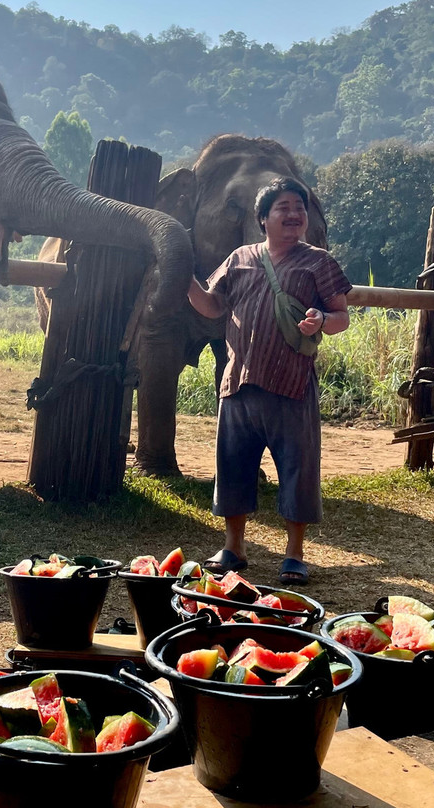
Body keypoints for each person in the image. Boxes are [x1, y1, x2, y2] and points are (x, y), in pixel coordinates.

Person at [187, 178, 352, 586]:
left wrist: (322, 320)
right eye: (284, 207)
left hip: (292, 384)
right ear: (263, 218)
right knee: (233, 467)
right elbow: (210, 306)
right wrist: (182, 277)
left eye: (300, 207)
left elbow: (341, 317)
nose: (295, 214)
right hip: (239, 382)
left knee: (298, 470)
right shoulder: (240, 258)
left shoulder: (319, 262)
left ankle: (294, 554)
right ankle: (234, 547)